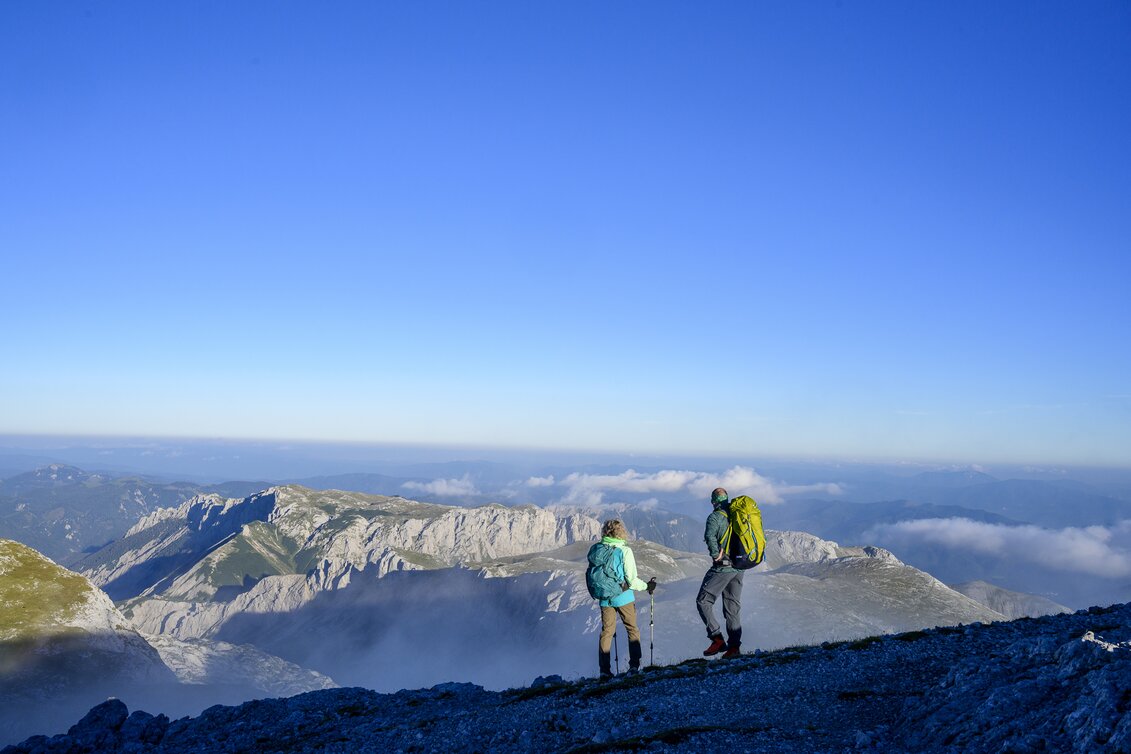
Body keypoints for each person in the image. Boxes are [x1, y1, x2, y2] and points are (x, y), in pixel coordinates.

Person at [591, 519, 656, 678]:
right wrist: (647, 586)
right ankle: (634, 666)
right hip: (623, 596)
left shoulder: (596, 549)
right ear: (621, 532)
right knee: (632, 629)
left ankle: (604, 671)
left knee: (607, 632)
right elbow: (632, 580)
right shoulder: (624, 551)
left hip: (605, 597)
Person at [696, 487, 744, 658]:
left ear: (713, 502)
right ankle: (734, 648)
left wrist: (716, 555)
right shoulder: (737, 514)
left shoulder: (715, 517)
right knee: (732, 606)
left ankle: (717, 639)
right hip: (739, 566)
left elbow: (710, 537)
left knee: (703, 600)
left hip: (723, 566)